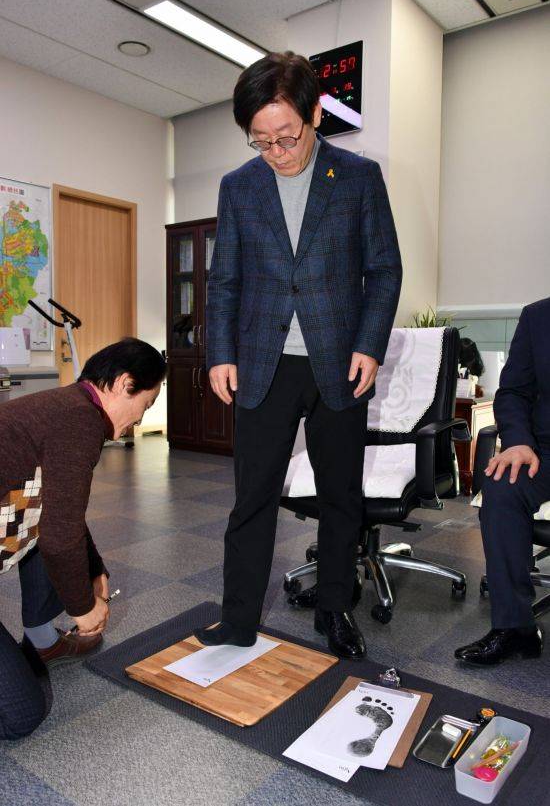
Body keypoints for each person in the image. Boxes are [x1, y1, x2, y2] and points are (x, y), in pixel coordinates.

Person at [194, 52, 402, 659]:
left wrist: (368, 344)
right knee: (252, 498)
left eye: (286, 136)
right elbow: (224, 280)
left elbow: (384, 270)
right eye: (261, 141)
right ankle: (238, 619)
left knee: (341, 494)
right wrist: (219, 353)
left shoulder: (358, 177)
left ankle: (334, 609)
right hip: (263, 363)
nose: (276, 152)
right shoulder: (239, 186)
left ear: (315, 116)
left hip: (339, 361)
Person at [0, 337, 165, 739]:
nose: (139, 420)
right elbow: (59, 538)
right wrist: (83, 608)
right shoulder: (80, 421)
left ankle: (42, 641)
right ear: (124, 383)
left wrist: (95, 569)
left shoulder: (67, 406)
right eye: (145, 405)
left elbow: (62, 513)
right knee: (20, 715)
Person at [455, 298, 550, 666]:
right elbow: (513, 391)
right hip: (541, 451)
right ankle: (515, 627)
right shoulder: (538, 316)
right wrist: (518, 442)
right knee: (501, 486)